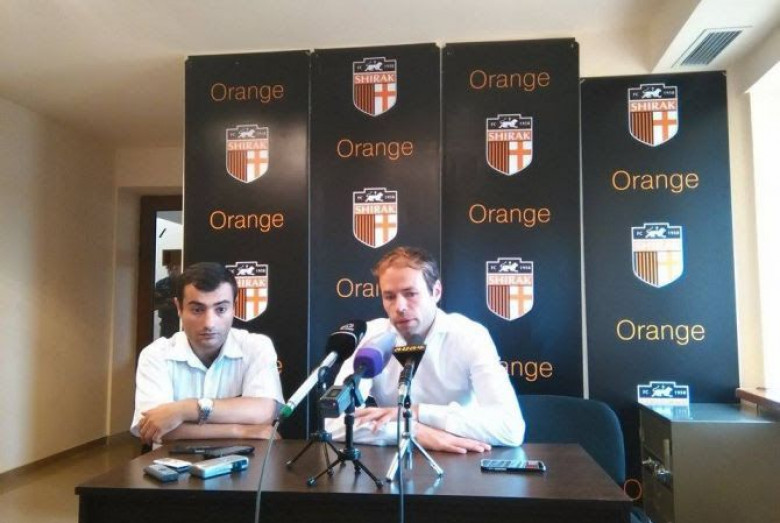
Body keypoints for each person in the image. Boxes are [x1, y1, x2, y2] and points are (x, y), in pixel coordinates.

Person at [325, 246, 525, 453]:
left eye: (410, 294)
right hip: (396, 461)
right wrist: (412, 430)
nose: (400, 307)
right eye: (390, 297)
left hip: (463, 457)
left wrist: (419, 412)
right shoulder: (371, 337)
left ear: (436, 292)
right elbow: (333, 422)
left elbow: (510, 428)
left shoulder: (470, 336)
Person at [131, 262, 283, 446]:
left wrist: (184, 409)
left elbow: (263, 412)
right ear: (179, 308)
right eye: (197, 310)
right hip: (172, 461)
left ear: (234, 307)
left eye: (221, 309)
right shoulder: (156, 354)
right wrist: (241, 430)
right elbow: (155, 428)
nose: (209, 323)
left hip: (246, 459)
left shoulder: (255, 346)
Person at [153, 260, 180, 338]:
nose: (172, 271)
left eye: (176, 268)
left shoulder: (186, 284)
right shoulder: (161, 284)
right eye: (169, 268)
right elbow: (153, 305)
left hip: (181, 322)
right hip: (166, 322)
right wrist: (167, 303)